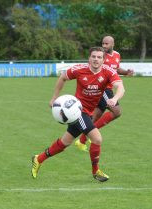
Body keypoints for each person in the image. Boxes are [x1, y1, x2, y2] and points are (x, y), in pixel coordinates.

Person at [31, 47, 125, 182]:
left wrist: (115, 99)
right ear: (89, 58)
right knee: (97, 139)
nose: (96, 59)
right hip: (77, 111)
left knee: (65, 142)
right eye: (93, 56)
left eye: (99, 57)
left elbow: (121, 87)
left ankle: (38, 158)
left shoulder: (108, 72)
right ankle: (96, 171)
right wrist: (54, 98)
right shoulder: (79, 69)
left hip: (88, 112)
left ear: (104, 60)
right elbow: (63, 78)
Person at [75, 35, 133, 152]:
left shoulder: (117, 55)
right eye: (103, 44)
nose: (104, 46)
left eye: (106, 44)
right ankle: (91, 132)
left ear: (113, 44)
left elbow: (116, 69)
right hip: (102, 88)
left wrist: (126, 72)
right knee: (116, 111)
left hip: (109, 88)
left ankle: (81, 141)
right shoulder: (101, 56)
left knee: (95, 117)